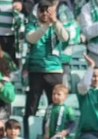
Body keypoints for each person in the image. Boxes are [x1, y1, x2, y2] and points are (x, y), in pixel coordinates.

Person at [24, 0, 70, 129]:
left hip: (54, 70)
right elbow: (31, 38)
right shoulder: (31, 25)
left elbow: (65, 38)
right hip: (36, 70)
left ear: (53, 11)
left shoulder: (57, 25)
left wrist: (54, 22)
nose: (45, 13)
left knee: (55, 106)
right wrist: (46, 26)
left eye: (47, 10)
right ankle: (28, 134)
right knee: (32, 106)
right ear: (37, 12)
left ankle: (53, 134)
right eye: (42, 10)